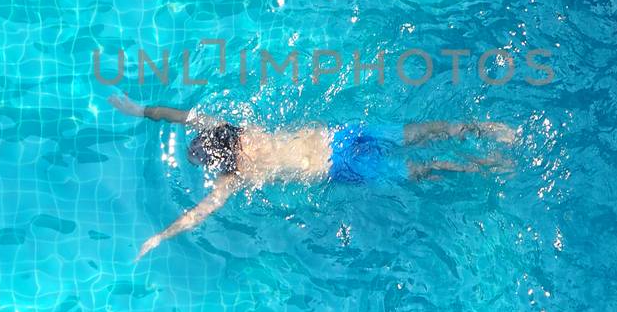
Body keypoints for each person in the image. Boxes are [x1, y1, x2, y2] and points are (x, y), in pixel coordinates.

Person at [108, 94, 515, 260]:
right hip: (339, 135)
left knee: (422, 171)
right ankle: (485, 128)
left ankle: (483, 165)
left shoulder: (235, 177)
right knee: (418, 132)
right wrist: (138, 109)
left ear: (216, 163)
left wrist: (160, 236)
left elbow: (199, 213)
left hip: (339, 169)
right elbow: (178, 116)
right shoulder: (237, 127)